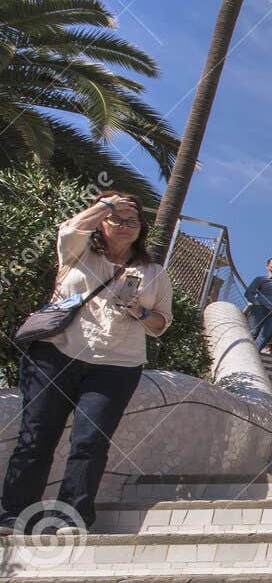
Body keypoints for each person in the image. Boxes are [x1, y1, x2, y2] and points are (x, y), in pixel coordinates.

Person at [1, 193, 172, 536]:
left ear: (141, 231)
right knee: (37, 436)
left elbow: (161, 323)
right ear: (101, 223)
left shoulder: (154, 273)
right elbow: (70, 230)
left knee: (90, 441)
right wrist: (107, 205)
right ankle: (13, 514)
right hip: (56, 353)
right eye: (117, 220)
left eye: (132, 222)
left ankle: (70, 518)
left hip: (117, 365)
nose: (124, 226)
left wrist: (139, 311)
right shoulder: (79, 253)